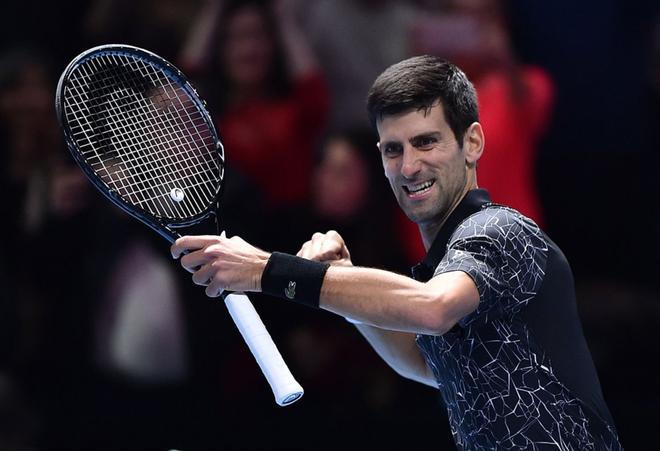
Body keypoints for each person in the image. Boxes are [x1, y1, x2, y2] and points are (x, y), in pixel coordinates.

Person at [170, 55, 622, 450]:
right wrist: (345, 282)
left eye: (426, 142)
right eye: (393, 149)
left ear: (472, 143)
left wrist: (264, 270)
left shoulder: (499, 230)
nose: (408, 167)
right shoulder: (446, 263)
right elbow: (426, 364)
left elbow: (431, 308)